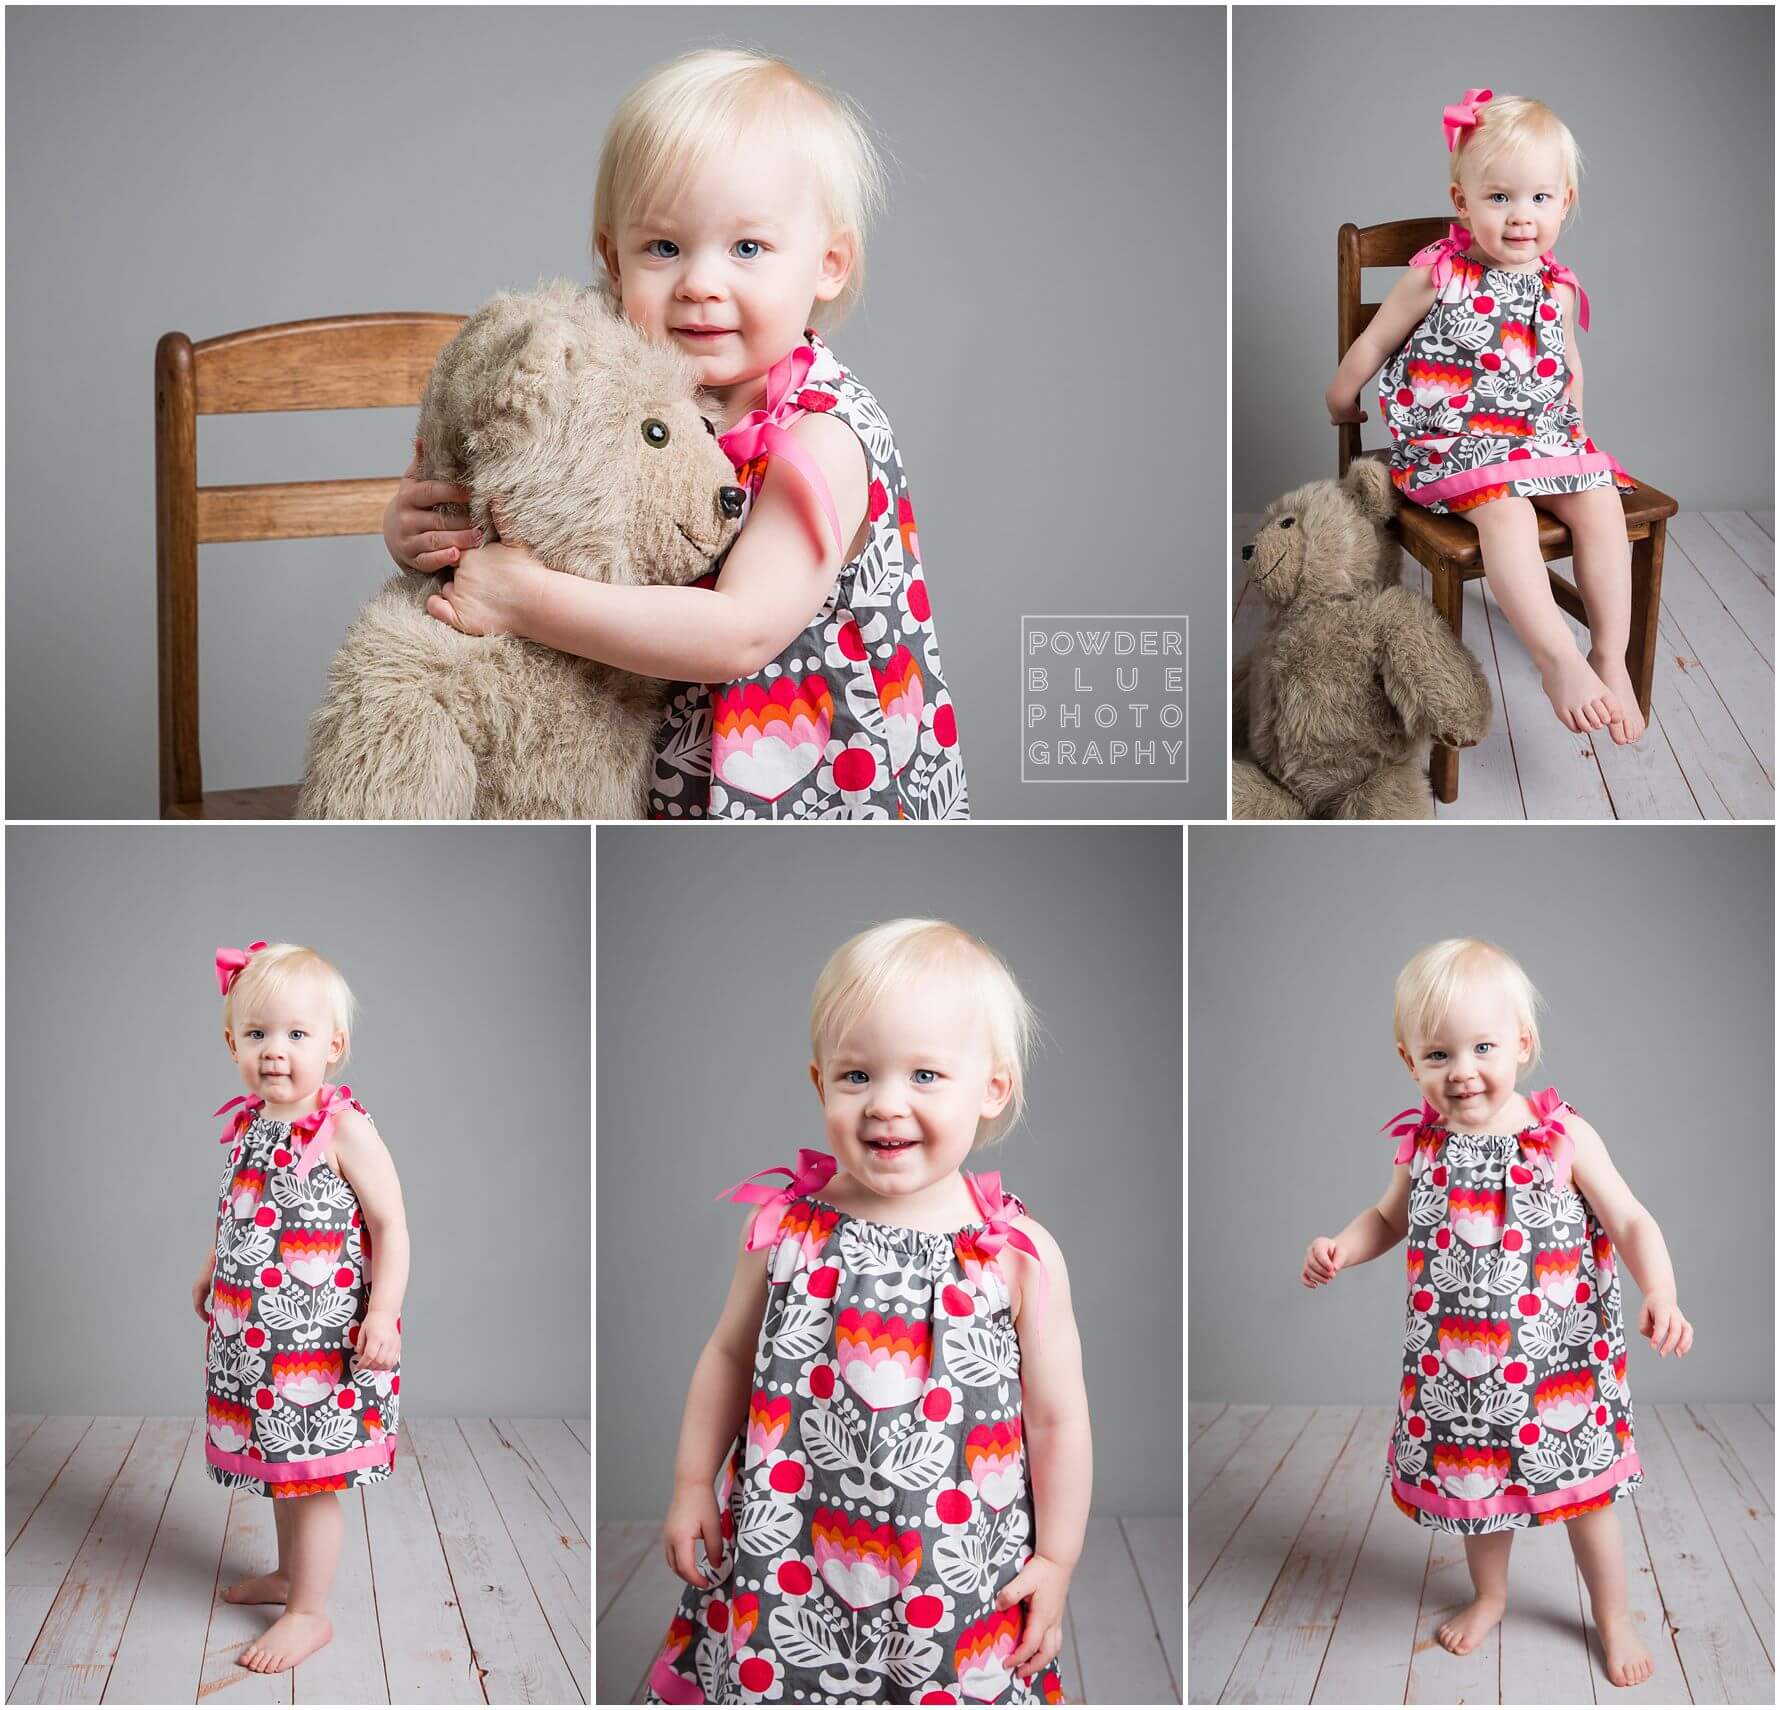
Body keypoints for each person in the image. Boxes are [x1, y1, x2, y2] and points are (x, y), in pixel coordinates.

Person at [383, 49, 967, 820]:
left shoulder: (820, 436)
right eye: (663, 248)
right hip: (660, 777)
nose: (699, 282)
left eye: (748, 248)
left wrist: (524, 602)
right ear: (611, 261)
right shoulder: (617, 388)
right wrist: (422, 532)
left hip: (812, 798)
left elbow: (738, 634)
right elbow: (525, 507)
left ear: (827, 266)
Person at [645, 920, 1089, 1702]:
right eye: (857, 1076)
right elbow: (725, 1357)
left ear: (992, 1088)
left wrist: (1055, 1560)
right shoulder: (784, 1228)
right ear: (819, 1082)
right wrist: (690, 1485)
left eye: (924, 1075)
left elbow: (1056, 1420)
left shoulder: (1015, 1254)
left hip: (954, 1572)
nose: (885, 1104)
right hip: (789, 1558)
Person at [1304, 937, 1692, 1687]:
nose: (1463, 1071)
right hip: (1464, 1373)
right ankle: (1490, 1595)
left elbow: (1631, 1220)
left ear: (1523, 1043)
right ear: (1407, 1061)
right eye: (1439, 1054)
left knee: (1586, 1502)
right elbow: (1387, 1220)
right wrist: (1342, 1248)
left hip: (1557, 1370)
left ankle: (1613, 1614)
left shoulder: (1560, 1136)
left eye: (1483, 1047)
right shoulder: (1420, 1146)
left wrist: (1662, 1290)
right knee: (1475, 1496)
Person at [1326, 90, 1646, 744]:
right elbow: (1376, 343)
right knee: (1508, 513)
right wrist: (1339, 398)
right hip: (1455, 442)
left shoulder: (1557, 286)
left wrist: (1573, 441)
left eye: (1539, 198)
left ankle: (1607, 655)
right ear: (1462, 203)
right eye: (1499, 198)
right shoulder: (1435, 278)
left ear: (1565, 203)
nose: (1521, 216)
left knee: (1601, 501)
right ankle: (1556, 659)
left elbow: (1568, 367)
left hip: (1539, 436)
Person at [195, 941, 410, 1673]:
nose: (275, 1053)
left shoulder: (345, 1129)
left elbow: (391, 1228)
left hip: (321, 1345)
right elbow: (239, 1212)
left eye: (296, 1035)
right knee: (281, 1462)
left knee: (313, 1474)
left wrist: (382, 1315)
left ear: (334, 1045)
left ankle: (310, 1612)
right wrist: (210, 1268)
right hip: (253, 1339)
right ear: (232, 1045)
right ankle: (291, 1577)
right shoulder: (250, 1125)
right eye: (256, 1035)